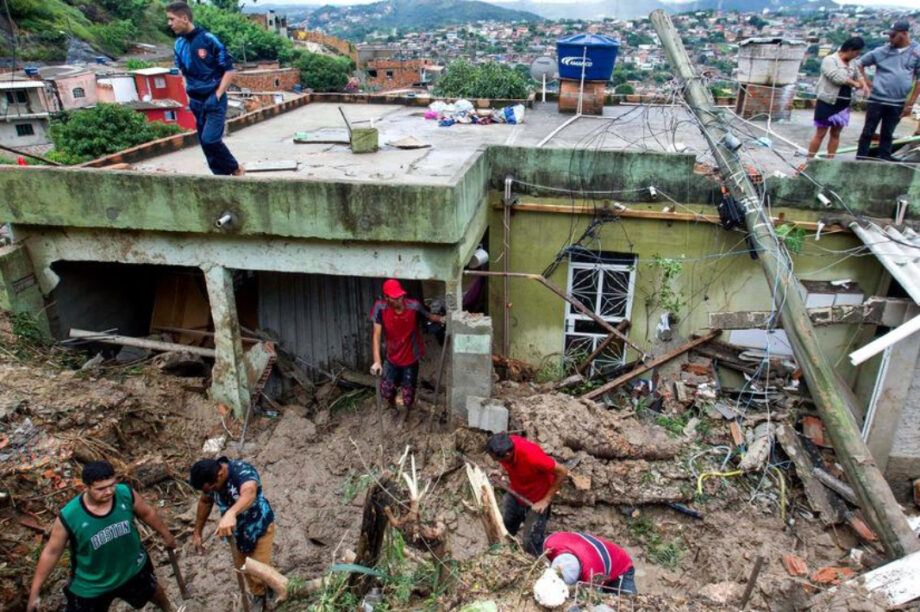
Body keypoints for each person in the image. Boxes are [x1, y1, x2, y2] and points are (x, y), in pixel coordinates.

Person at [27, 461, 179, 612]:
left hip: (131, 568)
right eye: (101, 489)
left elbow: (147, 513)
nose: (109, 492)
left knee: (153, 591)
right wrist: (35, 591)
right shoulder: (70, 516)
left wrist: (166, 535)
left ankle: (169, 609)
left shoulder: (125, 494)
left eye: (112, 485)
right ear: (86, 487)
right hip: (92, 585)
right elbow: (52, 552)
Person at [166, 1, 244, 176]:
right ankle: (220, 178)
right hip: (196, 100)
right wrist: (188, 96)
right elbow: (183, 72)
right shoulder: (179, 44)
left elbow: (229, 70)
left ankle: (236, 169)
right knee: (204, 144)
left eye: (172, 19)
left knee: (211, 140)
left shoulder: (208, 40)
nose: (169, 23)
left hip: (213, 98)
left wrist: (217, 95)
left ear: (184, 18)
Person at [190, 457, 275, 610]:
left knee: (259, 566)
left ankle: (273, 589)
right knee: (244, 567)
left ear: (220, 474)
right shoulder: (210, 484)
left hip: (259, 526)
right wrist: (197, 532)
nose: (210, 492)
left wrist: (231, 513)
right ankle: (259, 594)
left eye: (212, 488)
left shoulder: (242, 471)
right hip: (236, 535)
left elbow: (249, 493)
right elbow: (205, 502)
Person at [486, 432, 568, 556]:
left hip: (537, 500)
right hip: (516, 493)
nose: (497, 461)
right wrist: (500, 471)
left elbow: (562, 472)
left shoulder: (533, 457)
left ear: (507, 454)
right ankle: (505, 554)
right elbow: (505, 462)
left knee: (530, 543)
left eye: (497, 459)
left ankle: (534, 562)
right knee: (505, 527)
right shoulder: (506, 443)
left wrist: (545, 500)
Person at [370, 279, 444, 410]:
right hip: (392, 356)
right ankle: (392, 403)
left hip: (411, 357)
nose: (399, 300)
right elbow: (376, 335)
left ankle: (407, 408)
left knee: (408, 397)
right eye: (395, 298)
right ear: (387, 298)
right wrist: (377, 361)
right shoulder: (380, 308)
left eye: (400, 296)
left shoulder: (414, 307)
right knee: (386, 391)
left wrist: (443, 319)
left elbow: (428, 316)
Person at [855, 21, 920, 161]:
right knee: (868, 130)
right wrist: (867, 82)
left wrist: (910, 104)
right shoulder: (882, 51)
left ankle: (884, 156)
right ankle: (861, 157)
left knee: (888, 132)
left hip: (898, 101)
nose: (890, 39)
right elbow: (859, 64)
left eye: (893, 36)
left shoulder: (917, 51)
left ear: (904, 34)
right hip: (877, 99)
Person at [807, 37, 867, 159]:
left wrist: (863, 84)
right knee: (820, 133)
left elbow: (859, 75)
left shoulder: (852, 63)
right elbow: (836, 77)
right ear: (850, 50)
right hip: (827, 101)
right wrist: (855, 84)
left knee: (836, 133)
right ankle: (809, 159)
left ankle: (830, 159)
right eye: (856, 52)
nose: (857, 55)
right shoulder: (830, 60)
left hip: (843, 103)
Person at [542, 531, 637, 594]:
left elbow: (595, 598)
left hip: (621, 567)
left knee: (627, 602)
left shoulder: (592, 572)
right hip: (596, 558)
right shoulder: (550, 543)